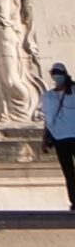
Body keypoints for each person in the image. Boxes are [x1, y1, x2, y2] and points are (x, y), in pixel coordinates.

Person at [44, 63, 75, 206]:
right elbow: (48, 120)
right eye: (54, 73)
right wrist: (45, 139)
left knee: (69, 171)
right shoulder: (49, 96)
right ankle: (74, 200)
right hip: (60, 138)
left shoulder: (72, 91)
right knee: (68, 171)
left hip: (67, 136)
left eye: (57, 73)